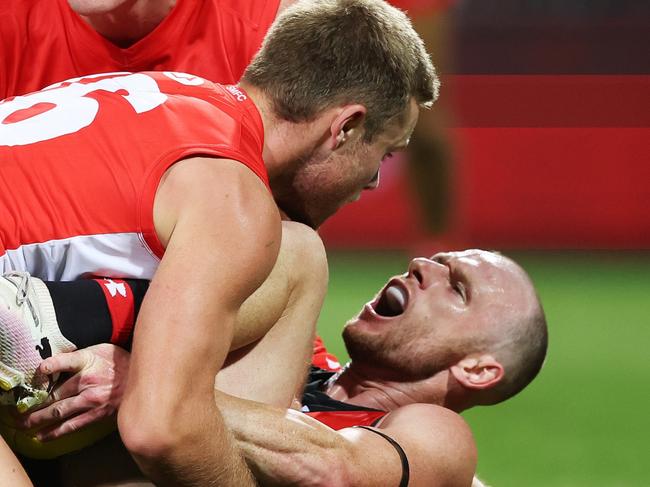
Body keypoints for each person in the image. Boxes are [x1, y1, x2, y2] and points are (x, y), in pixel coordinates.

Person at [0, 0, 438, 484]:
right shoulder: (234, 197)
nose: (375, 180)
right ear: (346, 128)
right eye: (385, 153)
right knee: (296, 256)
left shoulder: (161, 96)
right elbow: (161, 428)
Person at [2, 249, 547, 486]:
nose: (421, 266)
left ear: (478, 370)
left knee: (297, 252)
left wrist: (146, 385)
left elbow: (333, 472)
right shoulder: (293, 351)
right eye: (435, 260)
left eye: (456, 287)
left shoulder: (438, 437)